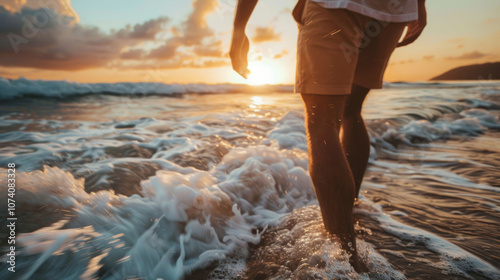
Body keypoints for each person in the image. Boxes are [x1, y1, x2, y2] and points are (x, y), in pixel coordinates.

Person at [230, 0, 426, 272]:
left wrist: (239, 27)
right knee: (351, 111)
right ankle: (349, 212)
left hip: (336, 5)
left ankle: (345, 261)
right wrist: (419, 5)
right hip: (392, 11)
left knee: (323, 121)